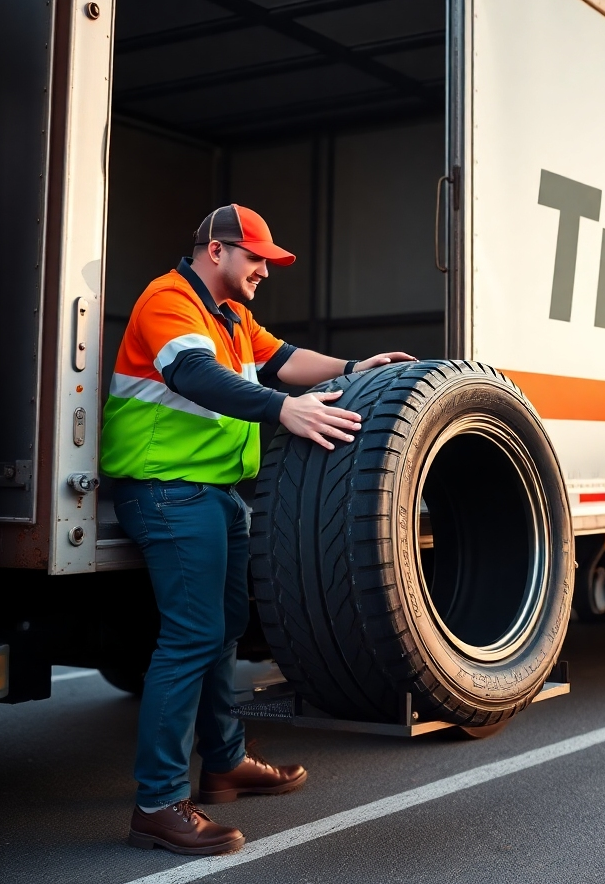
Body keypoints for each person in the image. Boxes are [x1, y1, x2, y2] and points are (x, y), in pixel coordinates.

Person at [100, 203, 414, 856]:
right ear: (216, 251)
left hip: (214, 495)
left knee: (223, 634)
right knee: (190, 639)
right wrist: (283, 412)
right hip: (167, 492)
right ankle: (157, 805)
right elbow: (194, 375)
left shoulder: (233, 318)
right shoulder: (169, 300)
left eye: (269, 263)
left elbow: (286, 359)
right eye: (257, 259)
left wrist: (355, 371)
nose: (265, 271)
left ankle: (224, 763)